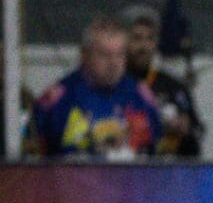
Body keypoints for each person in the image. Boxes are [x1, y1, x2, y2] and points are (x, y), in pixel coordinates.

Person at [26, 16, 161, 160]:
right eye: (105, 54)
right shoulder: (57, 100)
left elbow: (156, 152)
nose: (114, 63)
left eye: (120, 54)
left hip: (131, 180)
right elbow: (31, 157)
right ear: (84, 55)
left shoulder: (141, 97)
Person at [120, 4, 202, 159]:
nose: (144, 46)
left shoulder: (174, 87)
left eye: (150, 38)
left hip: (167, 174)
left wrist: (184, 130)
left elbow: (196, 141)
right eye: (136, 38)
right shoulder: (111, 85)